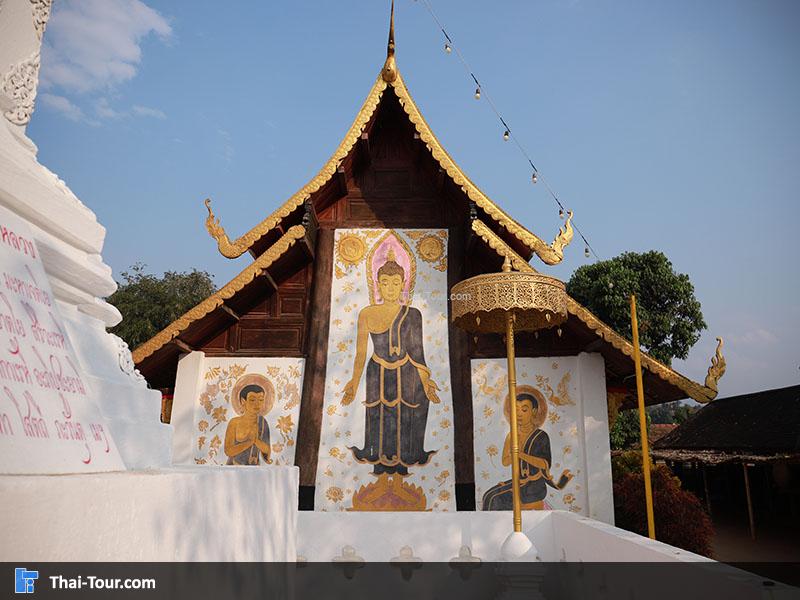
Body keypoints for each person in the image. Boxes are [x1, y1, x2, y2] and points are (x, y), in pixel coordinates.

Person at [342, 255, 439, 497]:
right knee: (379, 418)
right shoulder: (367, 314)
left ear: (404, 284)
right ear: (377, 284)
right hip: (378, 372)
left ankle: (401, 471)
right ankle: (381, 472)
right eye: (385, 282)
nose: (390, 288)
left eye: (396, 283)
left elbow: (418, 353)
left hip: (407, 374)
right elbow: (360, 353)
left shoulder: (412, 314)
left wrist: (426, 382)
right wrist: (353, 384)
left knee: (405, 416)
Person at [482, 389, 572, 510]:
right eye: (516, 410)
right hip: (520, 481)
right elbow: (505, 462)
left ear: (534, 411)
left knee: (495, 499)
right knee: (488, 495)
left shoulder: (541, 436)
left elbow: (544, 464)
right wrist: (512, 450)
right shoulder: (512, 435)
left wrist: (520, 454)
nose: (519, 413)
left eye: (524, 410)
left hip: (535, 487)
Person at [224, 384, 272, 465]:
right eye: (252, 400)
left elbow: (267, 450)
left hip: (254, 468)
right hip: (234, 467)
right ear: (243, 401)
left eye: (261, 400)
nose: (257, 404)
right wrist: (249, 443)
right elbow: (228, 451)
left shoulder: (262, 422)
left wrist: (256, 441)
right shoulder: (234, 422)